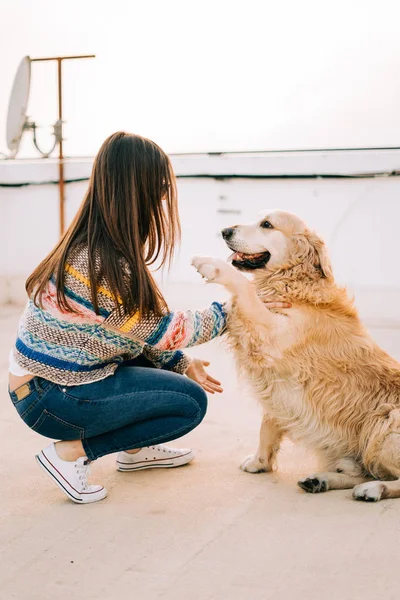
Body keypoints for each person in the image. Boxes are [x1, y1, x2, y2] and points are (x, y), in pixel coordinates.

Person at [8, 132, 289, 504]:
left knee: (175, 381)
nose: (162, 196)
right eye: (158, 186)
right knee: (189, 403)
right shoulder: (100, 264)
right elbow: (170, 330)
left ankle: (135, 451)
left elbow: (132, 333)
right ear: (134, 189)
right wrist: (243, 297)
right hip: (51, 399)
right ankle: (70, 454)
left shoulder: (100, 247)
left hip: (44, 387)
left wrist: (180, 362)